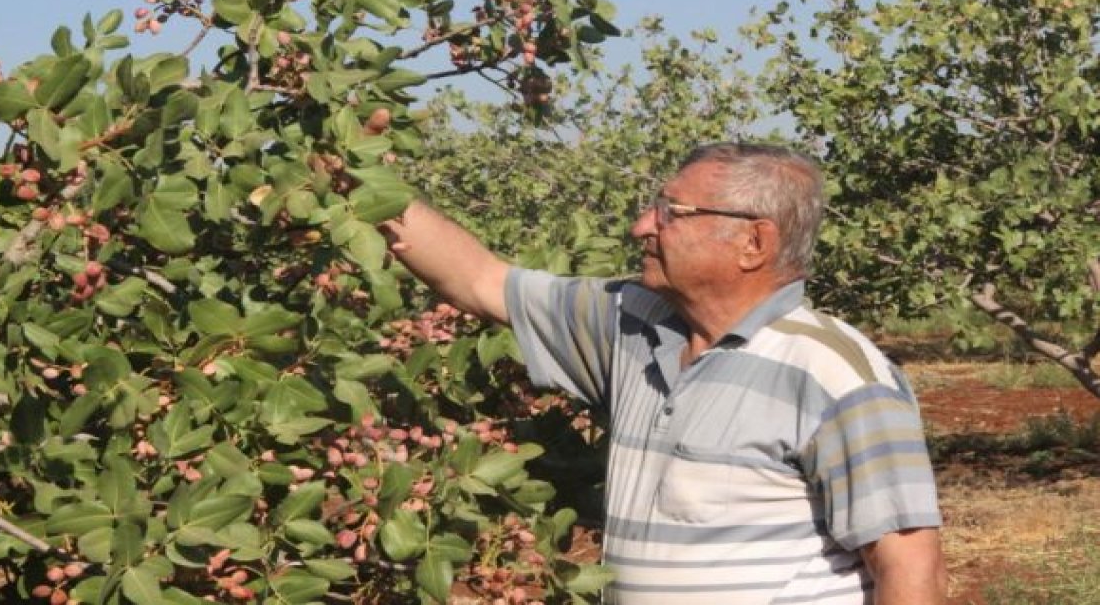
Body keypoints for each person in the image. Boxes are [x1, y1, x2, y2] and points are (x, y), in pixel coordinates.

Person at [383, 142, 946, 604]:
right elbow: (480, 281)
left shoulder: (838, 375)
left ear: (753, 241)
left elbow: (910, 569)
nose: (640, 227)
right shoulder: (628, 322)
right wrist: (357, 176)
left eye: (672, 212)